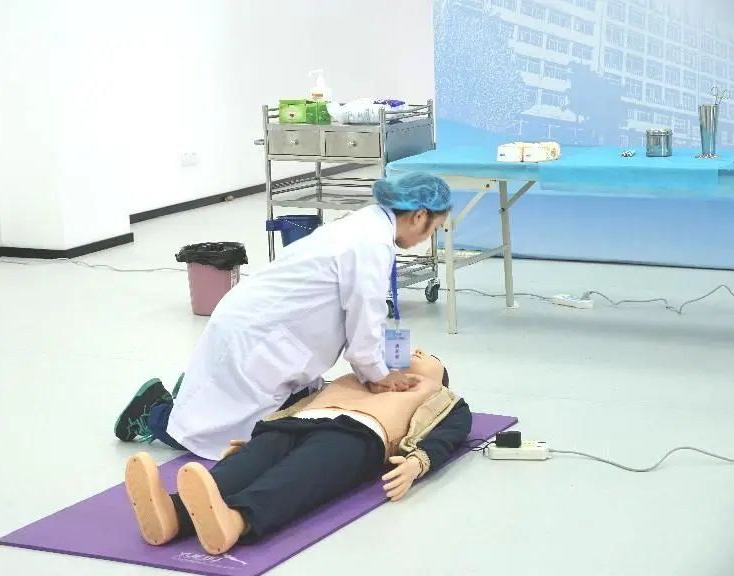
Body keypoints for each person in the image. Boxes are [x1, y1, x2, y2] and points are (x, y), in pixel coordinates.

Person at [114, 172, 453, 459]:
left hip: (260, 323)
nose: (428, 238)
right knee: (225, 436)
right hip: (258, 333)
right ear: (419, 216)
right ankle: (153, 413)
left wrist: (378, 368)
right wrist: (379, 374)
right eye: (433, 228)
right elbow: (365, 321)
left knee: (291, 405)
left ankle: (190, 396)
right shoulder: (371, 243)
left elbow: (368, 317)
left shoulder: (367, 225)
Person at [123, 349, 470, 554]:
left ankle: (238, 521)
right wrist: (255, 436)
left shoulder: (443, 398)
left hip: (358, 434)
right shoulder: (368, 375)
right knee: (246, 463)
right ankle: (172, 513)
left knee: (299, 475)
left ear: (443, 377)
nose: (419, 350)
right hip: (298, 422)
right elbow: (305, 401)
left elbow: (449, 435)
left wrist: (416, 463)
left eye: (432, 356)